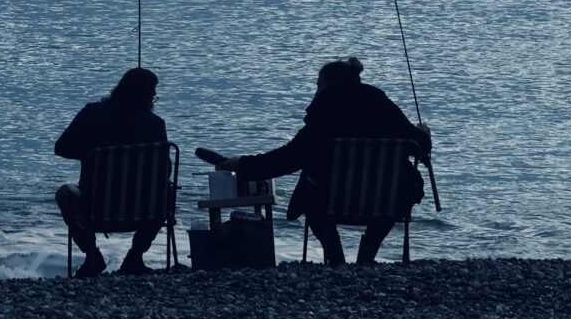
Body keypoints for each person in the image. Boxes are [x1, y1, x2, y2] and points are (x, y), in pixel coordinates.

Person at [204, 56, 429, 266]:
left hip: (329, 203)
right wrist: (424, 134)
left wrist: (242, 165)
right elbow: (421, 147)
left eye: (318, 86)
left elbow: (289, 158)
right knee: (394, 189)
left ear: (329, 85)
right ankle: (366, 260)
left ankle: (336, 259)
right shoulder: (382, 104)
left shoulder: (325, 110)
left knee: (311, 193)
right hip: (384, 204)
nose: (316, 92)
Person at [53, 66, 169, 276]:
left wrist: (91, 155)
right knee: (166, 191)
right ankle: (135, 257)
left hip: (95, 207)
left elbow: (61, 148)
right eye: (153, 94)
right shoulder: (155, 124)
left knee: (64, 194)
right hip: (144, 211)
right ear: (146, 95)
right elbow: (165, 170)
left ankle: (92, 256)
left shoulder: (91, 113)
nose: (154, 99)